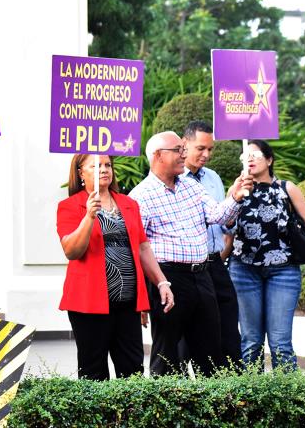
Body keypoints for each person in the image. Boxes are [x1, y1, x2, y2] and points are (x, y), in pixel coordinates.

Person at [129, 132, 252, 377]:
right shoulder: (141, 196)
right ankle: (164, 408)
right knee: (169, 352)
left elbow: (217, 215)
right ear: (157, 156)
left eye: (183, 149)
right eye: (177, 150)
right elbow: (137, 249)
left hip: (202, 273)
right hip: (168, 278)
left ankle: (211, 409)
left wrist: (235, 197)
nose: (183, 154)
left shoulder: (190, 185)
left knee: (210, 350)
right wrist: (142, 296)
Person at [57, 153, 175, 380]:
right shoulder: (70, 206)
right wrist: (89, 217)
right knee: (93, 374)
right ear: (81, 173)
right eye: (96, 165)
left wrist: (161, 281)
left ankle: (128, 417)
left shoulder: (128, 204)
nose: (104, 169)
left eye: (107, 165)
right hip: (89, 305)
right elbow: (72, 250)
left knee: (132, 370)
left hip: (128, 303)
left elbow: (142, 248)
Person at [229, 139, 305, 370]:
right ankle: (249, 401)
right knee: (251, 342)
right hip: (243, 270)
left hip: (283, 272)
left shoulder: (287, 189)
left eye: (255, 155)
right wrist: (236, 195)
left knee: (280, 343)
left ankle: (286, 402)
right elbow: (226, 229)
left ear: (269, 160)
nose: (249, 159)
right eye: (245, 156)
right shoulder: (237, 189)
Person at [179, 121, 242, 369]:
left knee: (227, 331)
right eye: (200, 148)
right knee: (186, 339)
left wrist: (235, 203)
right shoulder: (173, 180)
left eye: (210, 149)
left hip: (215, 262)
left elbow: (223, 222)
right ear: (184, 145)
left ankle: (234, 390)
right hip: (186, 267)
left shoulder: (213, 178)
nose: (206, 155)